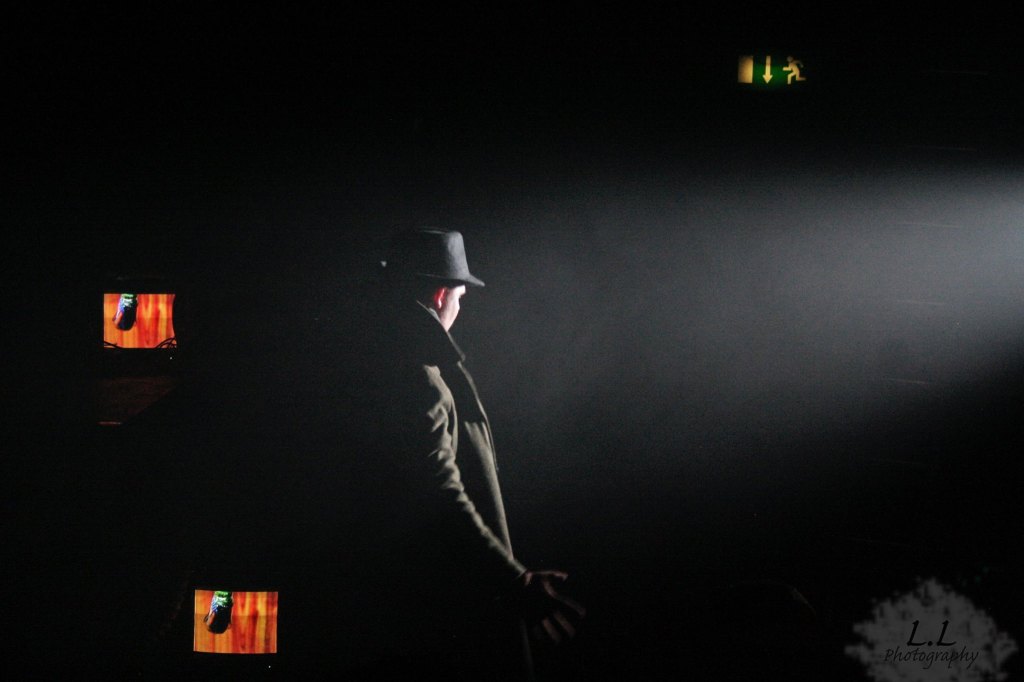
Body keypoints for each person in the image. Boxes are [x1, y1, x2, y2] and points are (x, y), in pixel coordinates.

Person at [299, 227, 584, 680]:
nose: (460, 307)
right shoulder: (418, 374)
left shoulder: (377, 358)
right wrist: (514, 579)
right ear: (439, 294)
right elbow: (438, 490)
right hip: (438, 605)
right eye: (460, 295)